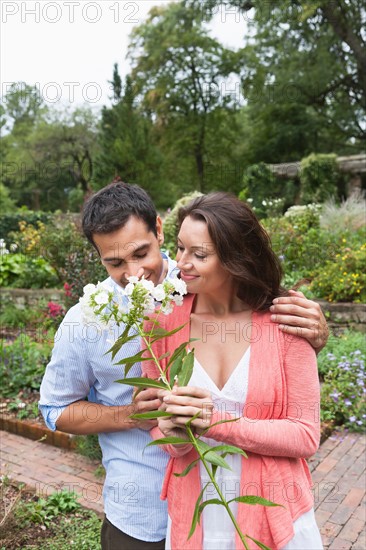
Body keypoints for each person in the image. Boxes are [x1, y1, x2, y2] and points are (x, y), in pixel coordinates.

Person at [39, 181, 327, 550]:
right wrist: (131, 414)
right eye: (114, 263)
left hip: (234, 509)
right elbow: (54, 410)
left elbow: (298, 420)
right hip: (141, 512)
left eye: (142, 252)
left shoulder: (198, 283)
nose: (134, 273)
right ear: (98, 257)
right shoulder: (86, 321)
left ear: (159, 229)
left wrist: (314, 334)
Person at [143, 192, 323, 550]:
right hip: (198, 513)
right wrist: (169, 430)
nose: (181, 263)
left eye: (199, 255)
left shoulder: (285, 320)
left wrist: (214, 423)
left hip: (274, 512)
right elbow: (158, 424)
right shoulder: (160, 325)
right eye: (179, 248)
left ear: (235, 258)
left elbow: (305, 435)